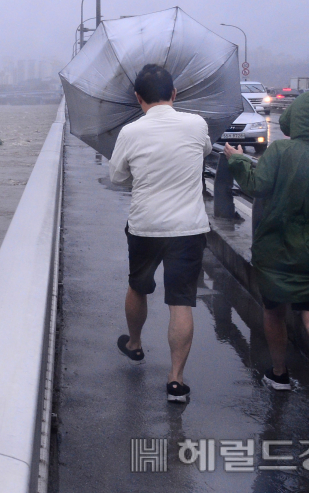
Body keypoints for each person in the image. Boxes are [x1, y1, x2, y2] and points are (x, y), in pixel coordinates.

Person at [223, 90, 309, 422]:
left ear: (296, 119)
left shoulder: (281, 151)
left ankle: (280, 373)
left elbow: (258, 184)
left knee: (274, 313)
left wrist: (236, 159)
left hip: (280, 254)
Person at [109, 64, 212, 403]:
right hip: (188, 228)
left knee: (138, 287)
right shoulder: (197, 124)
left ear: (138, 98)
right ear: (174, 94)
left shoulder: (130, 133)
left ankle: (135, 344)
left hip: (145, 227)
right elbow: (206, 151)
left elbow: (117, 178)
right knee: (181, 301)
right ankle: (176, 380)